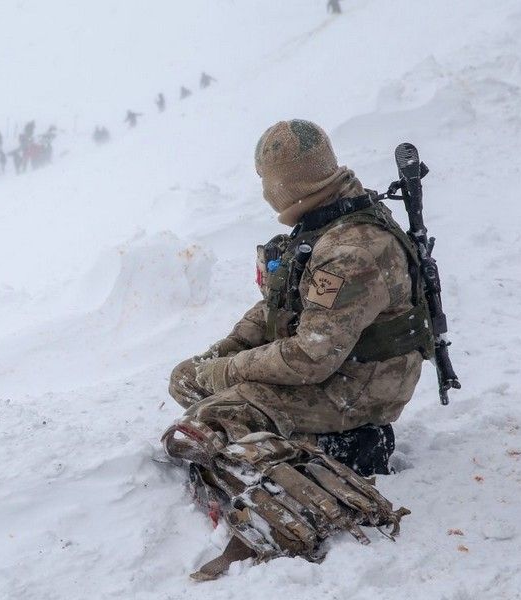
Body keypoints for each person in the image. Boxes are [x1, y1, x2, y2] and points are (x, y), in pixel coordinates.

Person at [162, 119, 425, 578]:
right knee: (189, 381)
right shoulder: (324, 222)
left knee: (206, 422)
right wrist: (222, 354)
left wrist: (226, 372)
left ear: (283, 183)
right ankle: (307, 442)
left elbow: (312, 355)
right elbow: (280, 306)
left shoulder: (349, 249)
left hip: (362, 387)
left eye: (266, 181)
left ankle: (332, 468)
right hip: (338, 367)